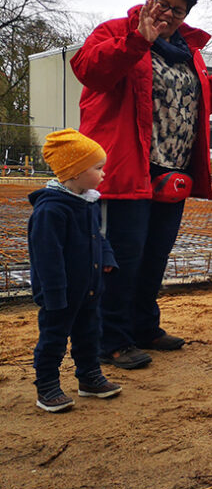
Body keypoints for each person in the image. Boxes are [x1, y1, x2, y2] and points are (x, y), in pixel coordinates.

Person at [72, 0, 212, 370]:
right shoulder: (114, 32)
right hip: (128, 166)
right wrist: (136, 40)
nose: (168, 15)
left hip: (171, 168)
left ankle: (144, 327)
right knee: (119, 258)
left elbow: (198, 100)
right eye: (162, 4)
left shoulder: (189, 53)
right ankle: (109, 339)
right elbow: (89, 71)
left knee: (154, 256)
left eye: (177, 11)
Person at [29, 130, 122, 412]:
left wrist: (106, 256)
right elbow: (47, 256)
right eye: (98, 168)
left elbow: (99, 236)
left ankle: (89, 377)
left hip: (89, 289)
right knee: (54, 338)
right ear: (75, 172)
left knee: (89, 334)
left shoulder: (88, 203)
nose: (103, 174)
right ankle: (47, 386)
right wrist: (55, 293)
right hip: (61, 293)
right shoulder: (51, 211)